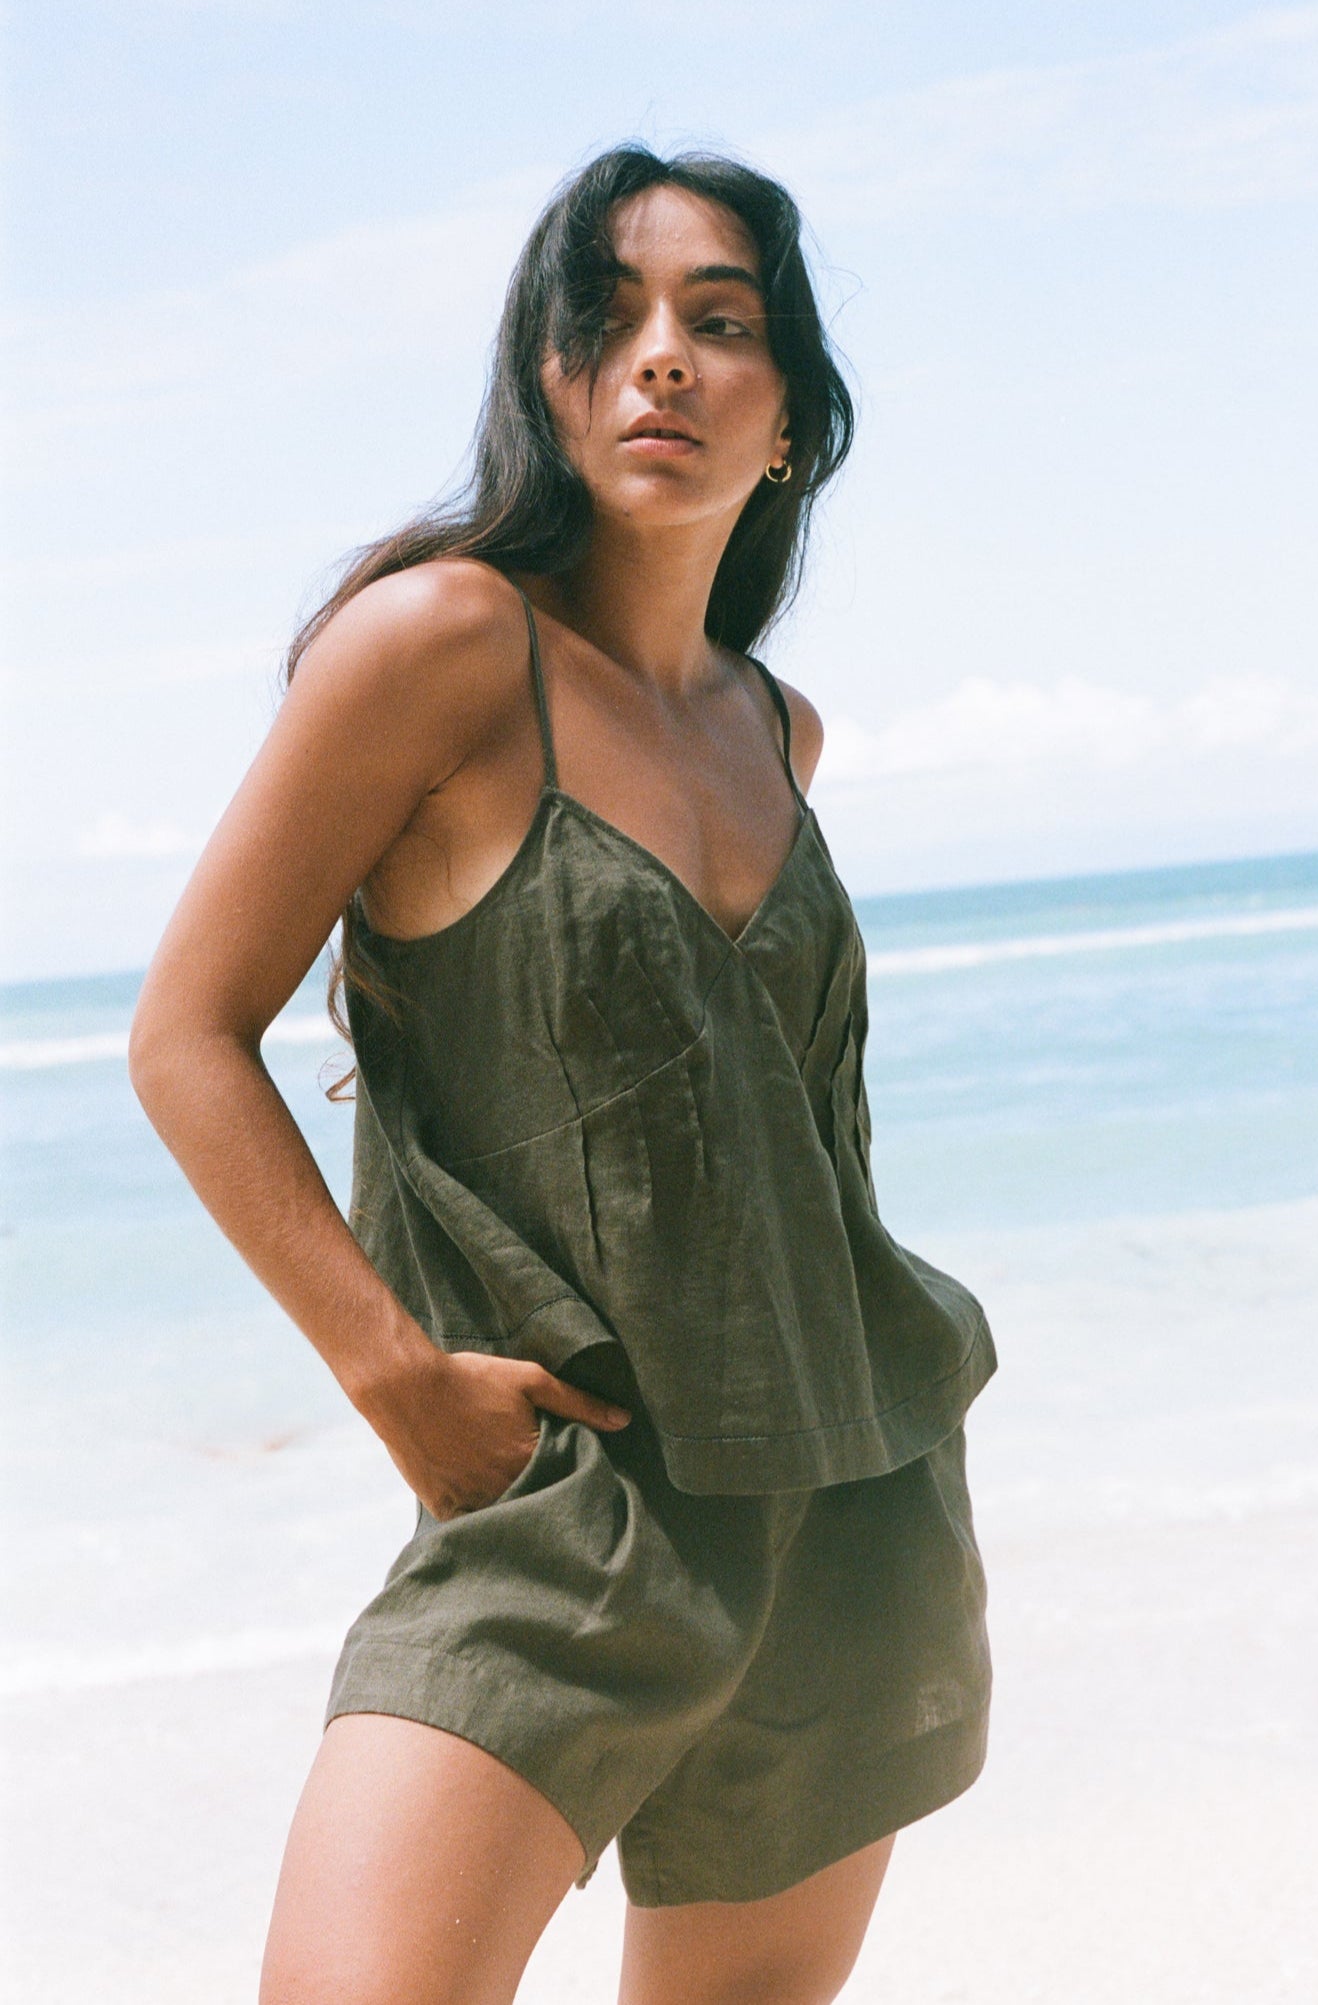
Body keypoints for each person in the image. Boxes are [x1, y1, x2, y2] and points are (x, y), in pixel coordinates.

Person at [130, 143, 997, 2005]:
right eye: (605, 321)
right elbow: (185, 1033)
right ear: (547, 386)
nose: (662, 357)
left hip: (853, 1499)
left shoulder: (777, 727)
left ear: (791, 416)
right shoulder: (440, 644)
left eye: (721, 320)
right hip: (564, 1507)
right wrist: (389, 1373)